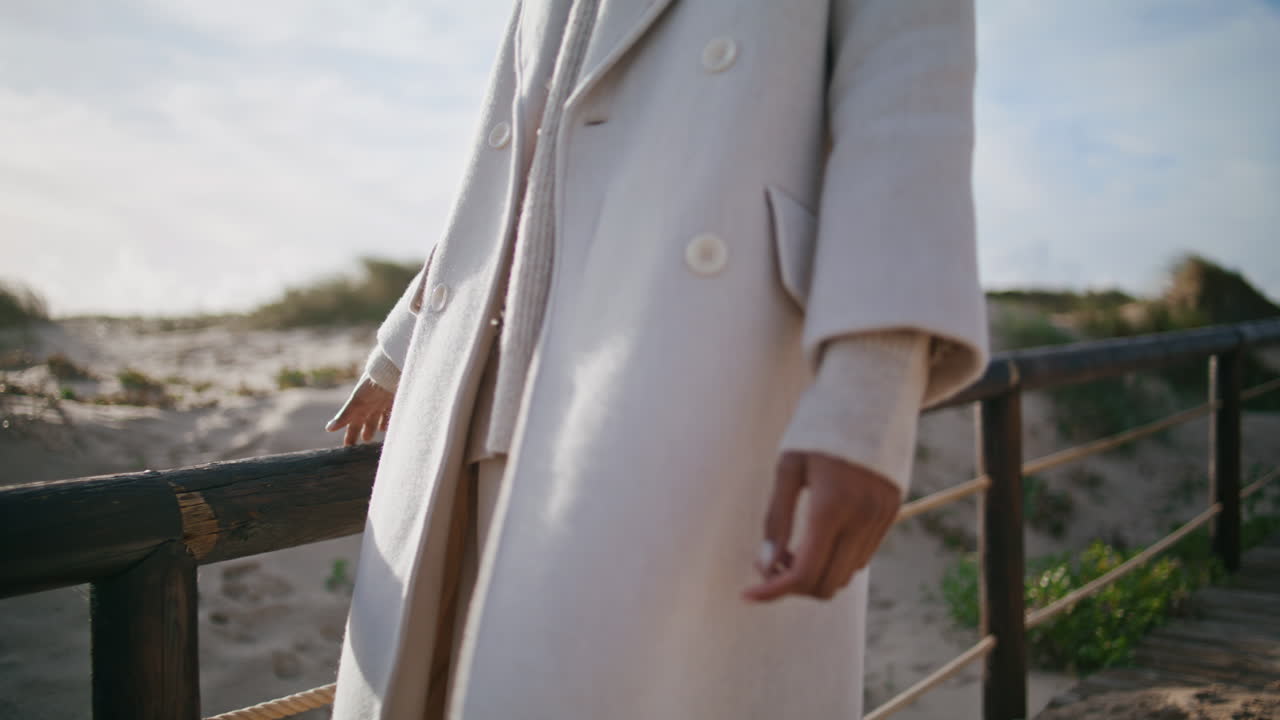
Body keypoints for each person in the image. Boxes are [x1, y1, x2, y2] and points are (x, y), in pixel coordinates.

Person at [326, 0, 989, 717]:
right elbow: (521, 143)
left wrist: (871, 394)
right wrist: (406, 344)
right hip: (480, 388)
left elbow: (908, 92)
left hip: (700, 358)